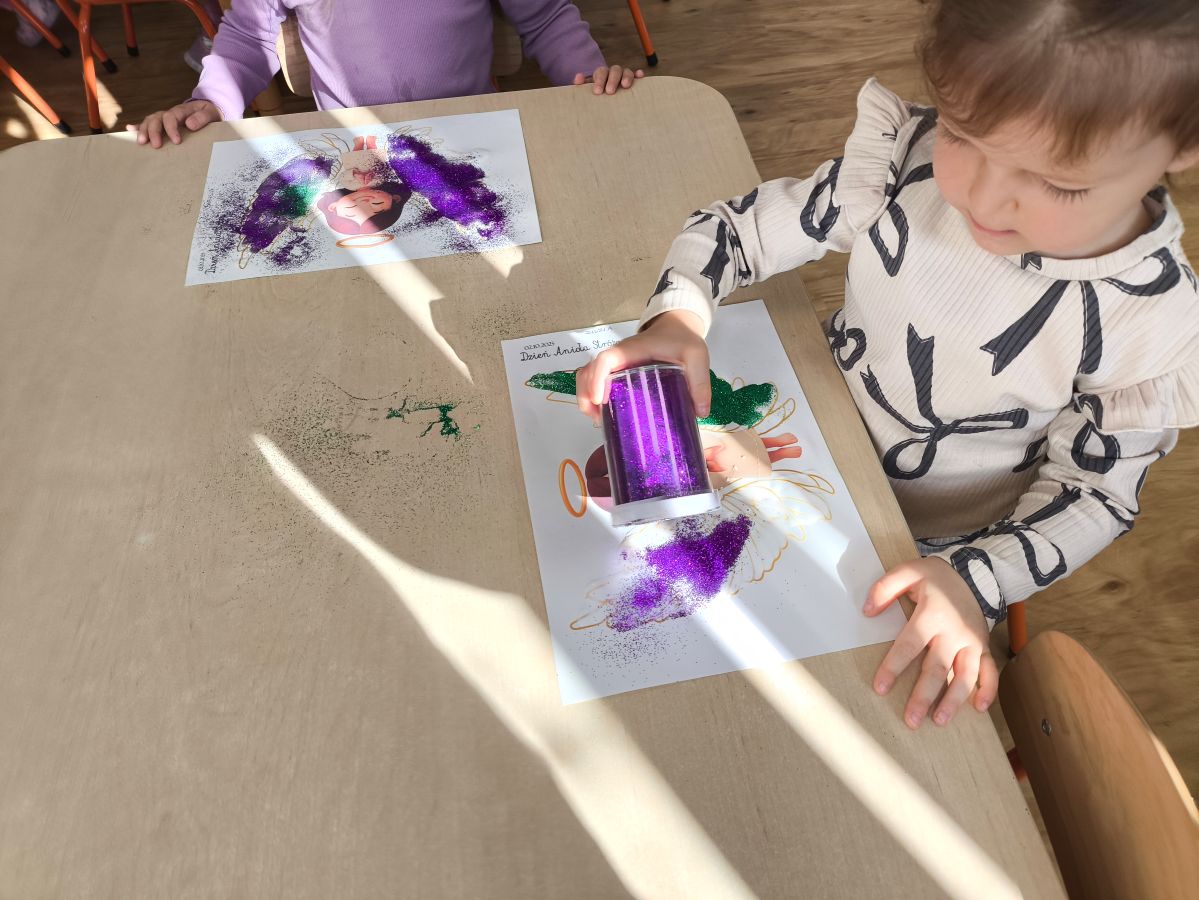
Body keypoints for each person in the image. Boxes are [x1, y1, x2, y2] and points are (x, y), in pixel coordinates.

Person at [576, 0, 1199, 729]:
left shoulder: (1153, 322)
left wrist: (977, 580)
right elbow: (735, 231)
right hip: (796, 446)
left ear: (1182, 146)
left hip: (928, 551)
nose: (982, 197)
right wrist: (677, 316)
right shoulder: (908, 164)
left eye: (1060, 183)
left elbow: (1094, 492)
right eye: (962, 133)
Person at [130, 0, 644, 148]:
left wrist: (589, 77)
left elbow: (547, 17)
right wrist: (211, 101)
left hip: (470, 129)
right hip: (346, 143)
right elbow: (249, 36)